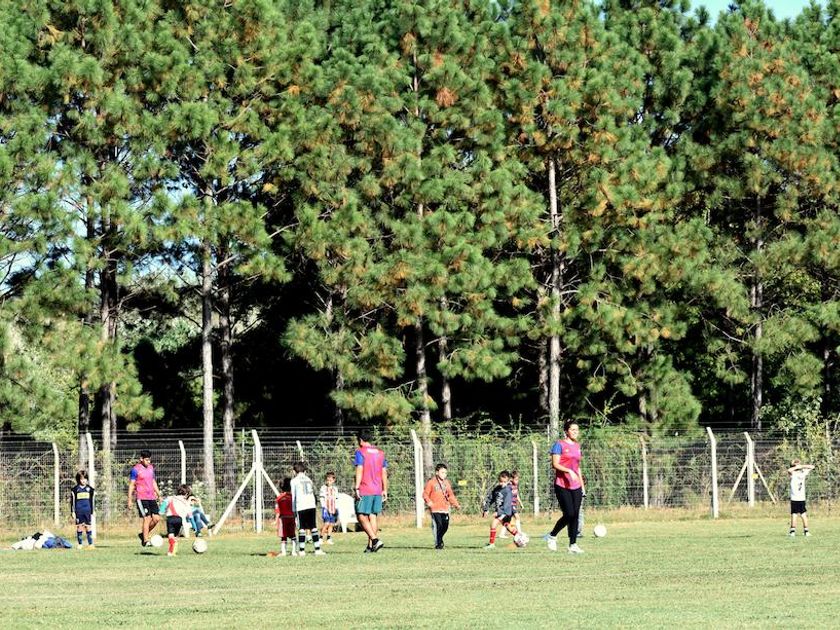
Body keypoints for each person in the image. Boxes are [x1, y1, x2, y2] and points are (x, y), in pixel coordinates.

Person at [544, 421, 585, 554]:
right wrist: (569, 471)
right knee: (569, 514)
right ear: (566, 431)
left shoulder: (577, 446)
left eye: (577, 429)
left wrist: (582, 485)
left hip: (576, 485)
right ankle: (552, 535)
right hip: (562, 484)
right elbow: (555, 464)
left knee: (575, 515)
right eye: (572, 429)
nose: (575, 432)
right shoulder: (559, 445)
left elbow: (577, 467)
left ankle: (573, 545)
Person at [354, 431, 388, 553]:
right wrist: (385, 489)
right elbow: (384, 472)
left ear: (360, 440)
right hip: (377, 489)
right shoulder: (380, 452)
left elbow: (360, 469)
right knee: (372, 516)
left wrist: (357, 487)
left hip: (365, 488)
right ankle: (371, 546)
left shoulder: (360, 452)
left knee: (361, 515)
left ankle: (374, 540)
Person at [128, 449, 161, 547]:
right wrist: (129, 499)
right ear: (141, 459)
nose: (148, 462)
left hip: (151, 497)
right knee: (147, 518)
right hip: (142, 498)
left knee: (156, 519)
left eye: (149, 460)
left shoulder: (151, 468)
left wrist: (159, 494)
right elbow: (131, 485)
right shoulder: (135, 469)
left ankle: (143, 534)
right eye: (146, 460)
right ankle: (146, 541)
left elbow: (153, 482)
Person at [422, 463, 461, 550]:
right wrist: (429, 502)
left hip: (445, 508)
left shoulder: (446, 483)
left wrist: (456, 504)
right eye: (442, 472)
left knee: (445, 526)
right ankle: (438, 543)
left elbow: (450, 495)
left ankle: (439, 539)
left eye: (445, 473)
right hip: (435, 509)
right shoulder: (431, 482)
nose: (444, 474)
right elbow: (425, 494)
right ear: (437, 472)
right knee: (438, 525)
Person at [291, 462, 324, 556]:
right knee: (313, 527)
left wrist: (293, 510)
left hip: (301, 505)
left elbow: (294, 496)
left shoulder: (294, 481)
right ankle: (317, 549)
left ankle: (301, 550)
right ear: (305, 471)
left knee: (301, 528)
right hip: (311, 505)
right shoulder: (309, 479)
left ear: (294, 472)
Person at [482, 470, 520, 549]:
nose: (502, 483)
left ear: (508, 481)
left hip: (505, 512)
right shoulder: (497, 489)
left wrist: (499, 512)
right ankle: (520, 537)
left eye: (504, 482)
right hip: (501, 512)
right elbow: (490, 498)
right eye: (500, 481)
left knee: (493, 524)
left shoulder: (508, 491)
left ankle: (491, 544)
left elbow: (507, 505)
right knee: (509, 527)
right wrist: (486, 509)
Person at [159, 484, 192, 557]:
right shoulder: (185, 501)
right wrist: (191, 522)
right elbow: (190, 514)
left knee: (171, 535)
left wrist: (161, 511)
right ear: (186, 494)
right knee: (175, 537)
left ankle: (171, 551)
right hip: (179, 519)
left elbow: (164, 503)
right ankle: (173, 552)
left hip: (170, 518)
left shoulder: (170, 498)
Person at [788, 459, 815, 537]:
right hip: (800, 498)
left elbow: (812, 466)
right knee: (802, 514)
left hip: (796, 498)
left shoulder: (794, 473)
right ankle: (805, 531)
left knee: (796, 514)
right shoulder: (801, 473)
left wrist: (800, 466)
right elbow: (811, 467)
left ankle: (794, 531)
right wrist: (799, 467)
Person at [70, 470, 95, 549]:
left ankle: (90, 544)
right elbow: (72, 502)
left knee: (88, 526)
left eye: (85, 479)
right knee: (79, 527)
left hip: (87, 511)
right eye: (82, 479)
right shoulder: (75, 490)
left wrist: (93, 511)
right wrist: (73, 511)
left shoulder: (90, 489)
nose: (83, 481)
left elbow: (92, 501)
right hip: (79, 511)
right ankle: (80, 544)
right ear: (78, 479)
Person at [275, 477, 297, 556]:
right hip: (292, 518)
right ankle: (294, 551)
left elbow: (277, 511)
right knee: (293, 535)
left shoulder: (279, 498)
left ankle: (283, 552)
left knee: (283, 536)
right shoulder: (293, 497)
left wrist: (276, 521)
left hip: (283, 519)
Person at [500, 469, 523, 539]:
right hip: (510, 504)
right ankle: (519, 532)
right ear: (511, 479)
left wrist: (520, 503)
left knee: (508, 520)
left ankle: (501, 534)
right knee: (517, 517)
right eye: (516, 479)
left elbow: (516, 494)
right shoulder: (509, 485)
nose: (517, 481)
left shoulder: (515, 486)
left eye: (518, 480)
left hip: (514, 504)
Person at [319, 472, 339, 545]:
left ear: (333, 480)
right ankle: (320, 538)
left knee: (331, 524)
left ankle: (329, 538)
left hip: (333, 509)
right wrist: (324, 507)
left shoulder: (335, 489)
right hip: (326, 509)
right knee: (326, 523)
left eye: (330, 480)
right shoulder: (323, 488)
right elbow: (322, 498)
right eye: (327, 480)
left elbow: (336, 499)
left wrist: (336, 508)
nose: (329, 482)